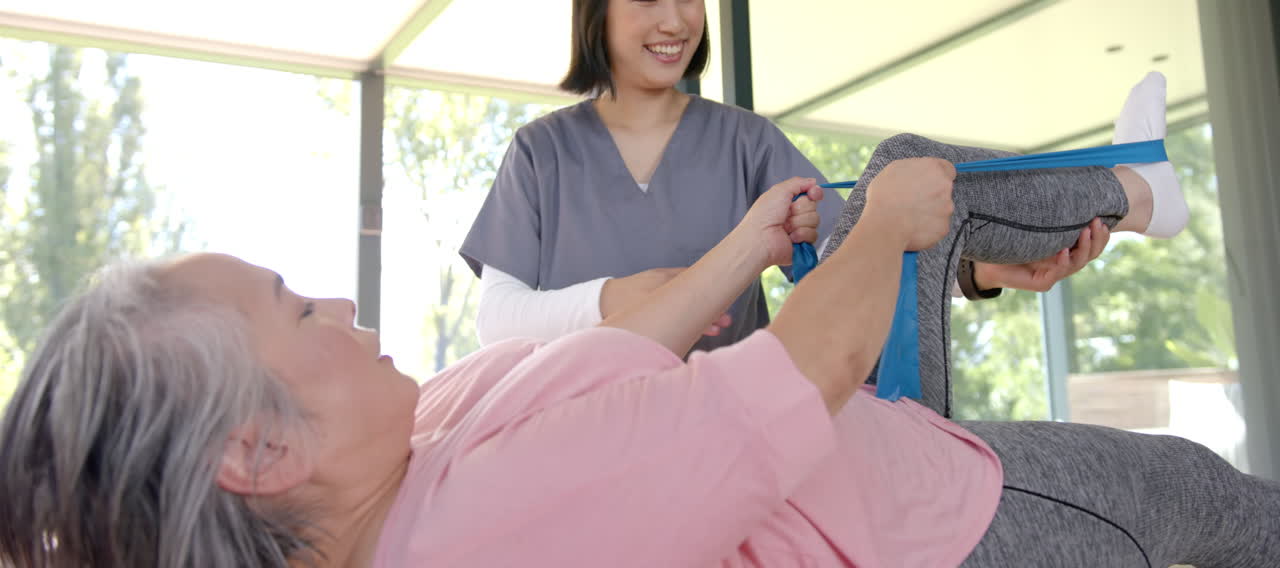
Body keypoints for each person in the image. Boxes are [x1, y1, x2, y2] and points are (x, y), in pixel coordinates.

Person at [3, 79, 1272, 568]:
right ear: (263, 453)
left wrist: (750, 240)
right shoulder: (483, 530)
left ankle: (1125, 192)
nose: (335, 303)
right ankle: (1134, 189)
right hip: (945, 522)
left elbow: (617, 361)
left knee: (888, 179)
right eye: (296, 311)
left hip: (866, 450)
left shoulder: (415, 453)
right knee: (1207, 501)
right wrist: (884, 229)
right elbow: (798, 366)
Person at [460, 0, 1093, 352]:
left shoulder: (747, 143)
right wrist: (614, 297)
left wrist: (979, 274)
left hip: (731, 440)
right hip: (580, 438)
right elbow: (498, 320)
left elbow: (864, 259)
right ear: (596, 15)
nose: (676, 22)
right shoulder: (542, 152)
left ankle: (1125, 192)